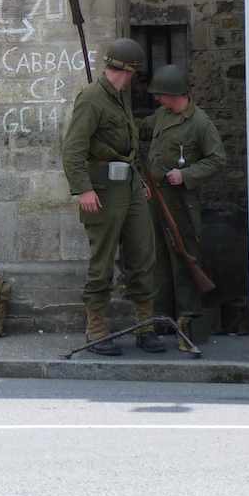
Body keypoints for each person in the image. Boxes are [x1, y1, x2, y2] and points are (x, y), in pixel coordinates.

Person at [60, 38, 163, 356]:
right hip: (102, 191)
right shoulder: (92, 99)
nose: (135, 78)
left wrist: (140, 179)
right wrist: (83, 189)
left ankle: (145, 326)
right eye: (134, 71)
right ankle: (97, 330)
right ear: (127, 69)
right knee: (102, 262)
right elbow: (72, 148)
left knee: (142, 255)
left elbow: (128, 145)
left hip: (129, 185)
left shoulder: (119, 98)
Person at [142, 65, 226, 351]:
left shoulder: (200, 123)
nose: (157, 100)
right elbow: (140, 130)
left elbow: (217, 159)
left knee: (184, 259)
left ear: (174, 95)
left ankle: (188, 324)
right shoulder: (162, 116)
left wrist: (186, 175)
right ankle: (160, 320)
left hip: (180, 202)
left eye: (161, 95)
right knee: (157, 261)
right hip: (155, 198)